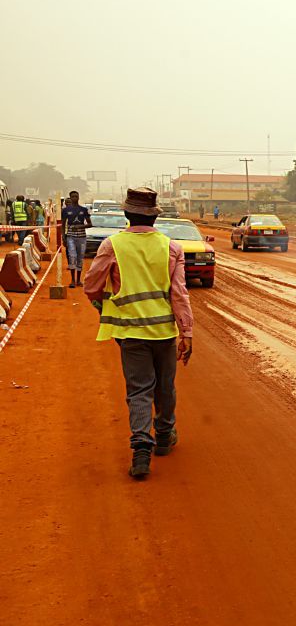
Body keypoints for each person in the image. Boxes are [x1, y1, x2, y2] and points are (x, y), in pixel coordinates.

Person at [83, 187, 193, 479]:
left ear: (127, 215)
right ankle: (166, 436)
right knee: (165, 386)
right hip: (164, 333)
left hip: (130, 332)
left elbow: (91, 285)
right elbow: (180, 294)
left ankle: (141, 450)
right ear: (155, 217)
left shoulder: (112, 246)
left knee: (139, 390)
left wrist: (103, 306)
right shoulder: (171, 248)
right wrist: (187, 332)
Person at [61, 190, 92, 288]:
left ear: (78, 197)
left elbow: (90, 224)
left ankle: (78, 280)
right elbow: (62, 224)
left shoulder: (83, 209)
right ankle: (72, 280)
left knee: (80, 258)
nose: (75, 198)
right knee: (72, 256)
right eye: (73, 196)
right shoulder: (66, 210)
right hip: (70, 236)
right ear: (70, 197)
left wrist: (79, 227)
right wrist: (63, 236)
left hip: (82, 237)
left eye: (76, 196)